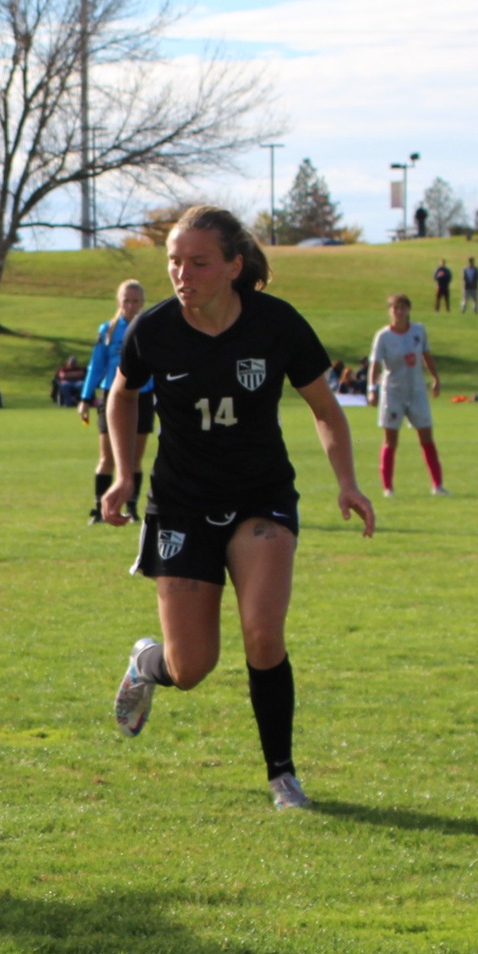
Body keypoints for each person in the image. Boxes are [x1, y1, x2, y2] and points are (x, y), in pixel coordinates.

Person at [104, 205, 375, 812]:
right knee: (192, 666)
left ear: (233, 265)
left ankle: (283, 777)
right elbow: (121, 395)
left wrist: (348, 483)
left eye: (198, 262)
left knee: (262, 634)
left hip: (261, 499)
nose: (182, 273)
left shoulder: (276, 325)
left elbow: (326, 411)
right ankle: (148, 662)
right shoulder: (153, 329)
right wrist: (124, 474)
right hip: (181, 506)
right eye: (174, 261)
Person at [80, 279, 153, 523]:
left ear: (142, 303)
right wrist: (85, 397)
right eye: (126, 301)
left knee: (134, 458)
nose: (130, 306)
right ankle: (99, 509)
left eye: (135, 301)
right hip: (112, 397)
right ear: (118, 302)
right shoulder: (108, 331)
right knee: (107, 458)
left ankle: (131, 508)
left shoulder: (149, 328)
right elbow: (96, 365)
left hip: (142, 396)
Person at [367, 295, 447, 496]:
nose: (399, 312)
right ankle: (388, 488)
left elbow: (426, 356)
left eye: (403, 308)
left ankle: (437, 485)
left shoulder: (418, 331)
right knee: (391, 440)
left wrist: (435, 378)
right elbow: (375, 364)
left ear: (409, 310)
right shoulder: (383, 336)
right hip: (393, 393)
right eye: (395, 308)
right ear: (390, 311)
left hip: (417, 391)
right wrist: (371, 388)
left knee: (427, 437)